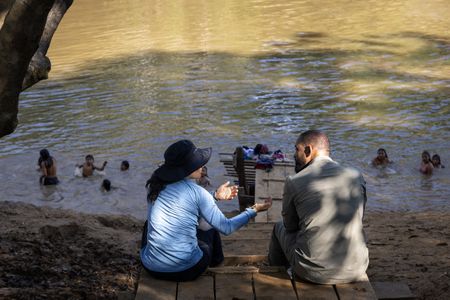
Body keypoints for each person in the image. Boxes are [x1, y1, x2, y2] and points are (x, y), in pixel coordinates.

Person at [140, 139, 272, 282]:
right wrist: (253, 210)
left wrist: (215, 195)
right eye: (197, 163)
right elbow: (226, 227)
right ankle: (217, 262)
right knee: (209, 227)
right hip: (187, 270)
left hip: (151, 267)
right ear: (186, 168)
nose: (202, 166)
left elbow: (184, 202)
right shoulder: (197, 192)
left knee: (149, 224)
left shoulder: (153, 186)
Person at [268, 130, 369, 284]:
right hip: (357, 268)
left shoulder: (294, 181)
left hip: (312, 272)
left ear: (308, 150)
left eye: (297, 149)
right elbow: (359, 216)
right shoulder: (356, 176)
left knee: (278, 228)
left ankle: (276, 278)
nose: (294, 155)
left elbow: (290, 226)